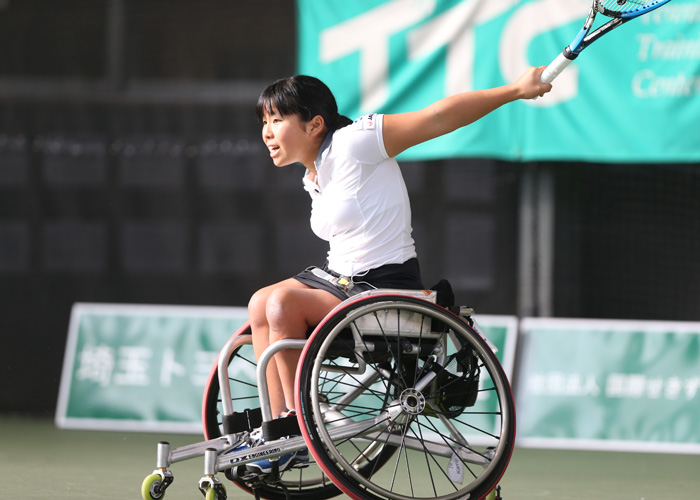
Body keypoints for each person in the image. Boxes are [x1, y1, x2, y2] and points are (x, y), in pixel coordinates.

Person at [239, 67, 552, 474]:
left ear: (314, 124)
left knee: (280, 304)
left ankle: (299, 427)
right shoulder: (314, 173)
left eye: (276, 120)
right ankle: (277, 425)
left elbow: (439, 117)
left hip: (383, 283)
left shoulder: (356, 142)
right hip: (342, 281)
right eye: (264, 121)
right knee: (260, 302)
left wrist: (515, 90)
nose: (266, 131)